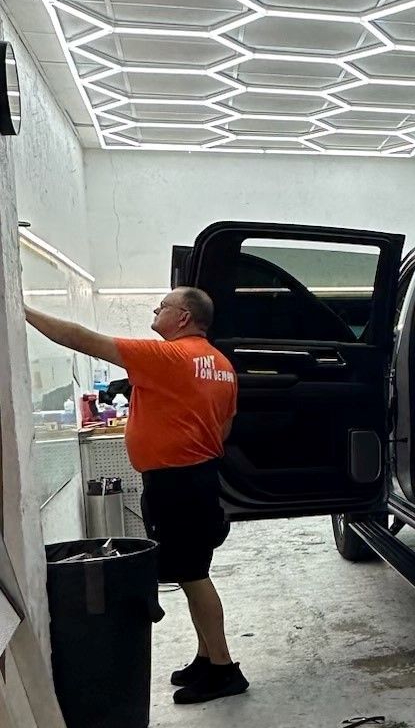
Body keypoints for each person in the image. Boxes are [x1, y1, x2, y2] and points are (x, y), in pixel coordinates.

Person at [25, 288, 248, 704]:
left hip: (176, 483)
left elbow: (78, 337)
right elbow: (225, 426)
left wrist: (20, 310)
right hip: (197, 477)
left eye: (162, 306)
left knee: (194, 574)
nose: (155, 310)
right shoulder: (221, 365)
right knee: (190, 570)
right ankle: (206, 656)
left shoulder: (167, 357)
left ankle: (224, 669)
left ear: (182, 318)